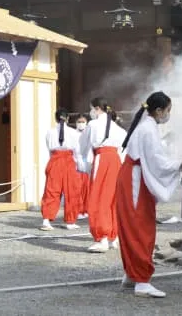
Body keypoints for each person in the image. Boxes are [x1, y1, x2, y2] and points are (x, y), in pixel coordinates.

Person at [117, 91, 182, 298]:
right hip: (136, 179)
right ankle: (141, 280)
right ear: (159, 110)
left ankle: (133, 273)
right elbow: (157, 162)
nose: (168, 114)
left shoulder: (146, 127)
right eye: (168, 110)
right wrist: (180, 164)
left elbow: (155, 158)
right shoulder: (148, 130)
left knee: (132, 226)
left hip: (134, 176)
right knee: (140, 227)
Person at [80, 97, 127, 253]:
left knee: (99, 198)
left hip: (101, 158)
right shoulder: (119, 129)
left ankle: (102, 238)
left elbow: (83, 146)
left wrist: (86, 165)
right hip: (116, 161)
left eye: (91, 108)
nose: (91, 112)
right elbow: (124, 151)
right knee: (113, 199)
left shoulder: (93, 125)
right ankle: (115, 236)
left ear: (97, 109)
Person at [40, 108, 83, 231]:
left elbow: (49, 148)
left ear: (55, 119)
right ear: (68, 118)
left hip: (55, 160)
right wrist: (79, 165)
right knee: (72, 191)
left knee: (51, 190)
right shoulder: (74, 133)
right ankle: (70, 221)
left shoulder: (50, 132)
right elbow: (77, 151)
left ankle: (46, 220)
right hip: (69, 160)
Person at [75, 114, 91, 220]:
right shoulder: (73, 134)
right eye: (79, 122)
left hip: (87, 163)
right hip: (76, 163)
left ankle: (87, 209)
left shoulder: (90, 134)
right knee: (78, 189)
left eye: (83, 122)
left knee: (88, 188)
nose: (81, 124)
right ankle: (79, 210)